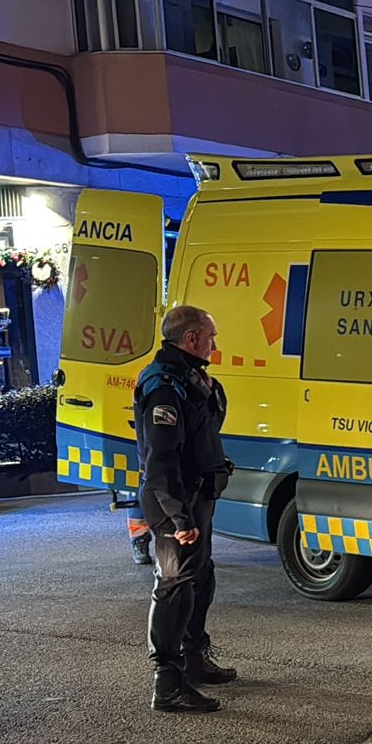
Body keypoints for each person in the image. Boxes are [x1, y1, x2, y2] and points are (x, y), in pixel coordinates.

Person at [135, 305, 236, 713]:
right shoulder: (165, 384)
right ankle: (167, 681)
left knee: (199, 580)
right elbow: (161, 459)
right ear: (191, 338)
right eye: (210, 336)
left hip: (198, 496)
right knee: (175, 587)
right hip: (173, 502)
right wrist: (179, 516)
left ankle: (195, 659)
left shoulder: (191, 377)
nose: (215, 343)